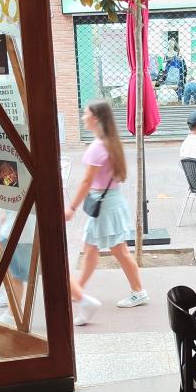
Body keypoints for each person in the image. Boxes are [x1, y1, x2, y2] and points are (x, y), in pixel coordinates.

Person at [64, 101, 148, 325]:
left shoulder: (97, 147)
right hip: (110, 201)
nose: (82, 117)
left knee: (117, 250)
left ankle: (138, 291)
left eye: (85, 114)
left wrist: (71, 208)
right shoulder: (109, 142)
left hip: (105, 204)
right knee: (93, 249)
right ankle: (78, 290)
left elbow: (86, 182)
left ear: (96, 118)